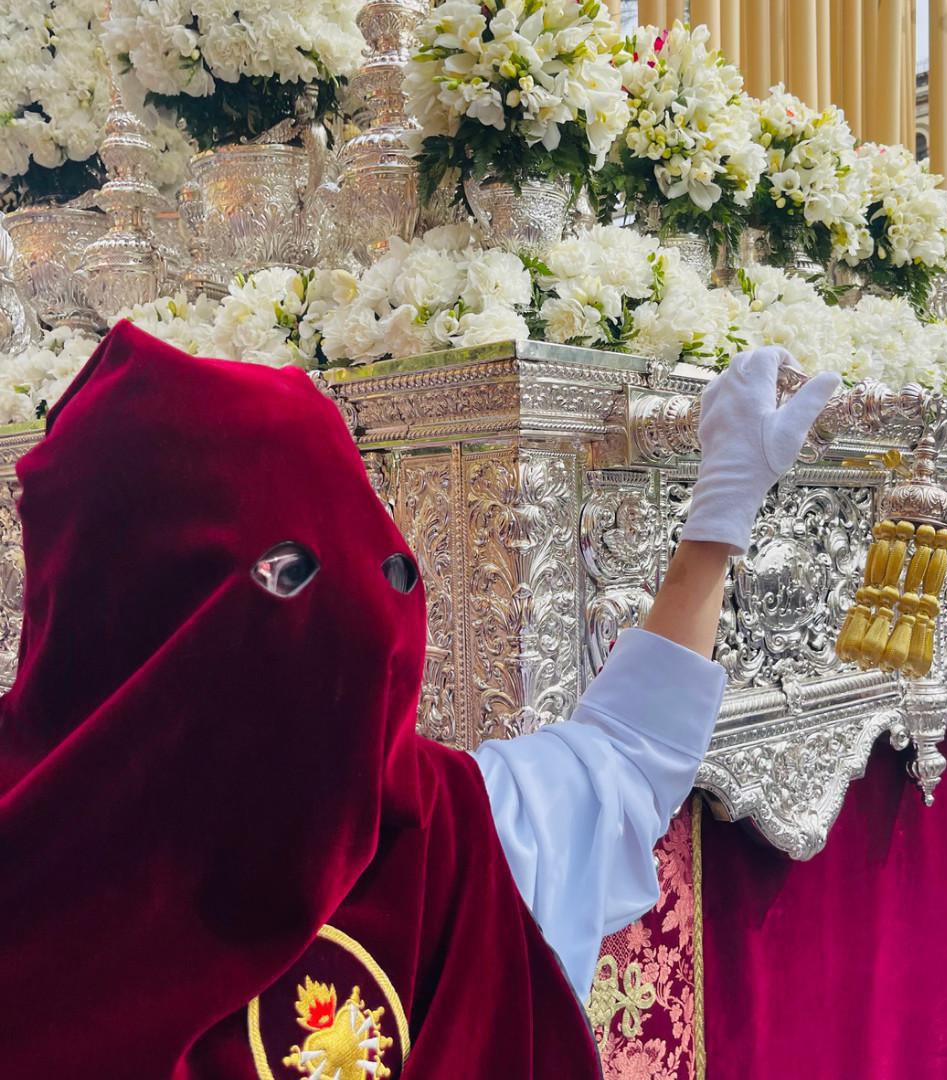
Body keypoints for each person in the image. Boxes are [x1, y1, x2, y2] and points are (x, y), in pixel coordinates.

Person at [0, 320, 837, 1078]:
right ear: (134, 602)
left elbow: (623, 760)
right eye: (289, 576)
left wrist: (720, 518)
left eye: (385, 568)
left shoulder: (438, 826)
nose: (371, 620)